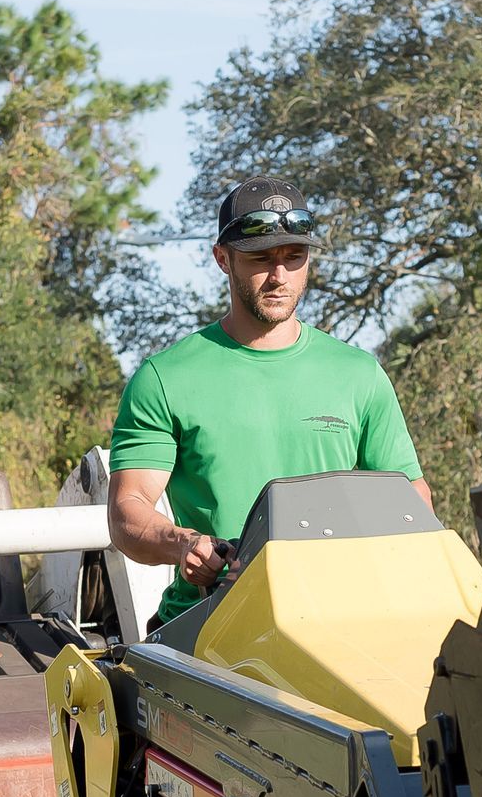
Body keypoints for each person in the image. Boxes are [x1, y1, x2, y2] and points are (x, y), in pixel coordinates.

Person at [107, 178, 432, 630]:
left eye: (293, 257)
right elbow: (128, 511)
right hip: (206, 629)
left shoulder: (358, 373)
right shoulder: (165, 378)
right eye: (261, 258)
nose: (279, 276)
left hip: (339, 622)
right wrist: (184, 543)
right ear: (223, 259)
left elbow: (412, 498)